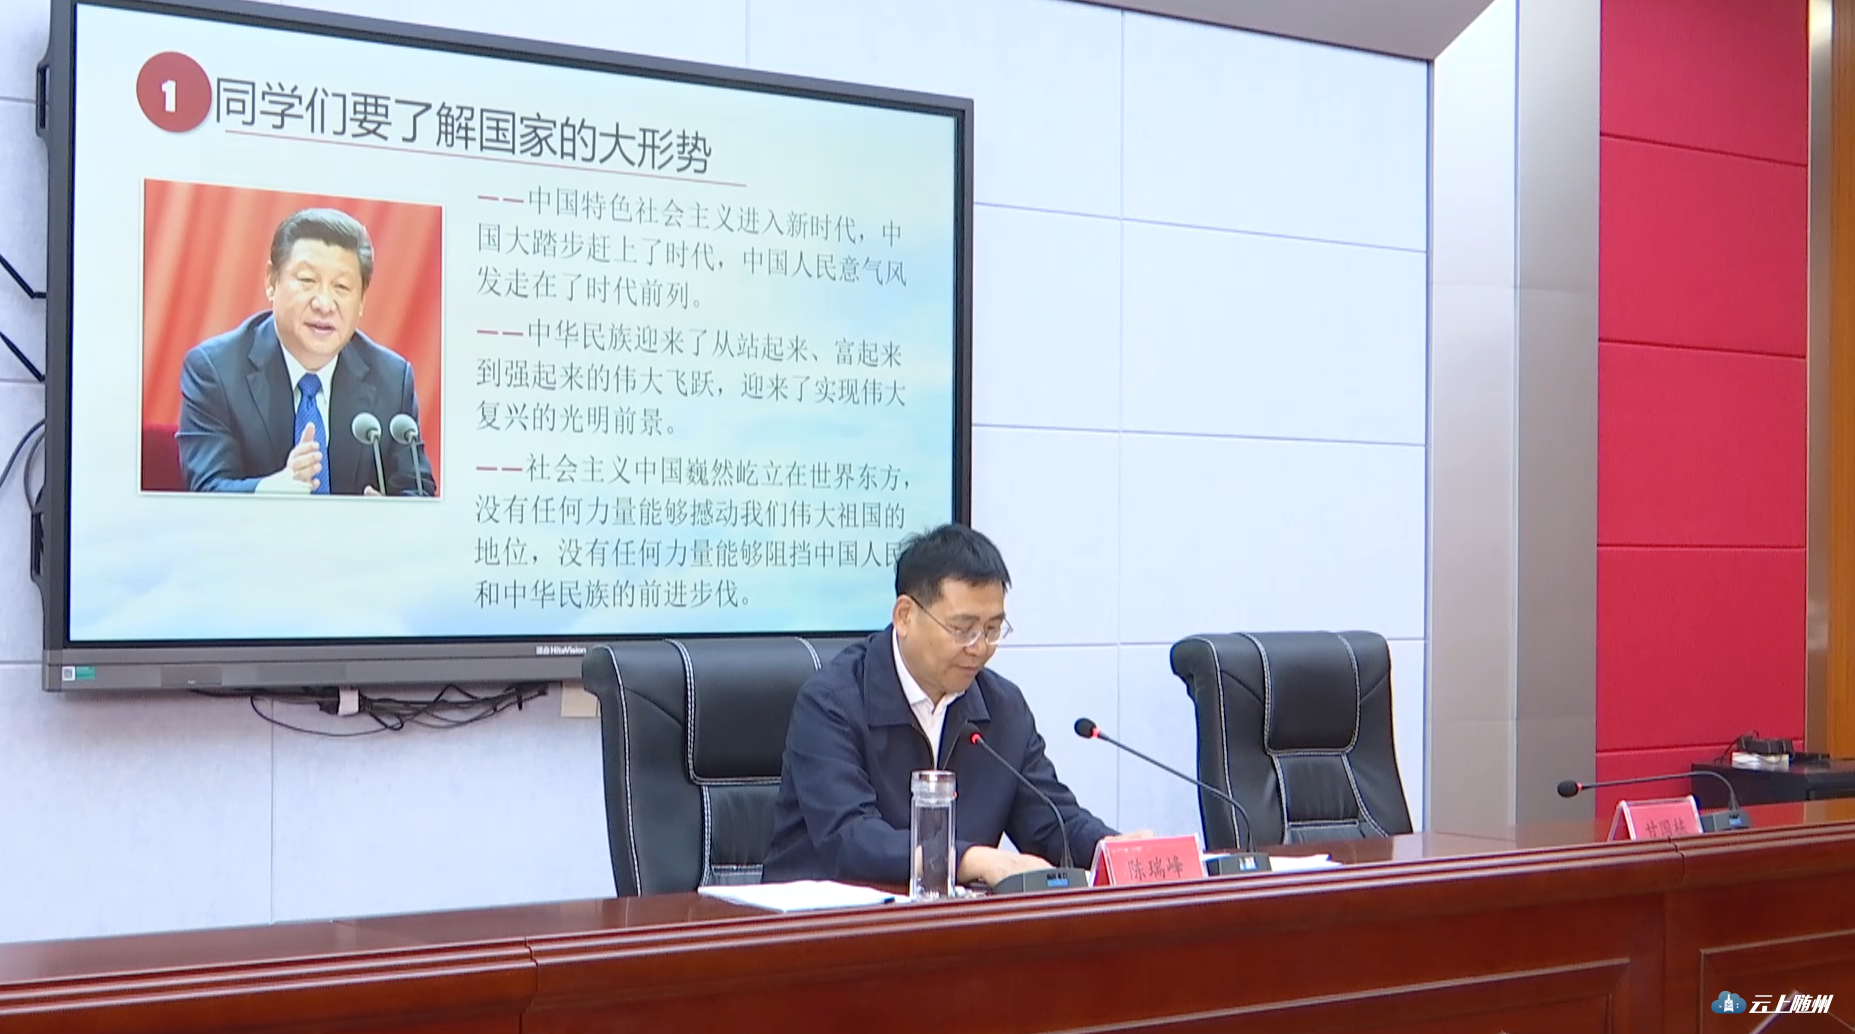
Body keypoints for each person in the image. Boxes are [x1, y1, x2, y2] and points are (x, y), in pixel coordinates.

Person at [764, 523, 1138, 888]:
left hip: (948, 921)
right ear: (905, 616)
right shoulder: (832, 702)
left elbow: (1050, 822)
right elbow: (850, 839)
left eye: (992, 629)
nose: (980, 647)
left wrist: (1114, 850)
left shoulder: (1003, 708)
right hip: (826, 920)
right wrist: (970, 860)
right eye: (963, 629)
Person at [175, 208, 433, 496]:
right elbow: (207, 488)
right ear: (271, 281)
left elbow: (417, 488)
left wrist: (389, 514)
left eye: (342, 286)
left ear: (361, 300)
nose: (324, 303)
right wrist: (271, 492)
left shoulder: (392, 379)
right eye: (307, 280)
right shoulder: (215, 371)